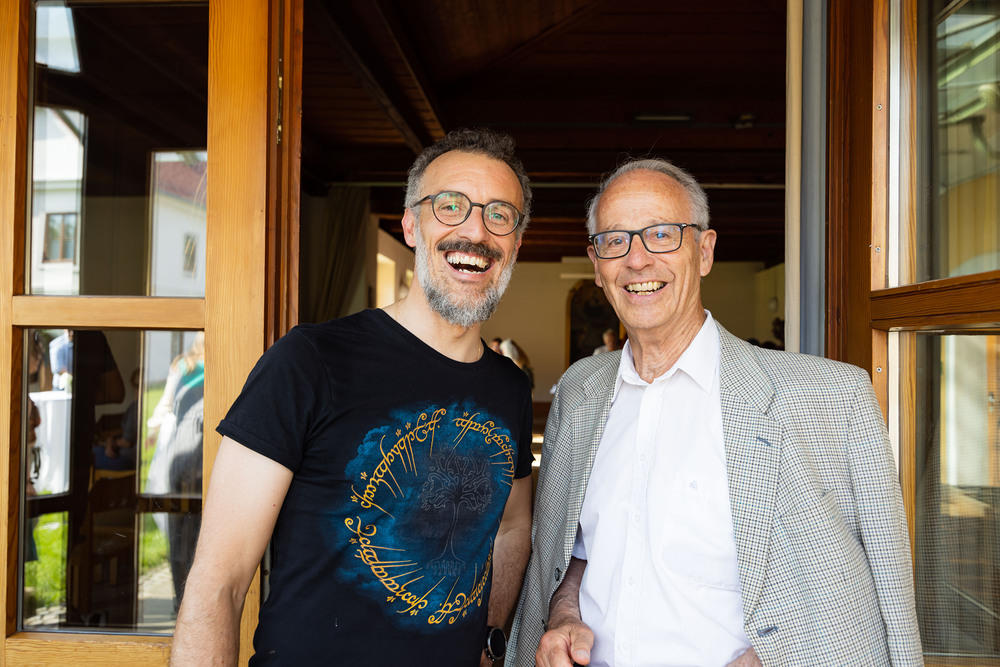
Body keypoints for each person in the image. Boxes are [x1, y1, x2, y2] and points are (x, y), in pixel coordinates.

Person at [510, 158, 922, 666]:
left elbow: (886, 594)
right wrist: (564, 612)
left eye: (662, 234)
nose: (637, 260)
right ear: (597, 265)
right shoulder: (579, 392)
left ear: (704, 252)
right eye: (615, 240)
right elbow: (574, 550)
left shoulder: (831, 398)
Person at [171, 128, 535, 666]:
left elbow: (513, 525)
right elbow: (217, 584)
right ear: (411, 225)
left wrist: (489, 640)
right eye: (450, 206)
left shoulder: (509, 387)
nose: (475, 230)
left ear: (516, 244)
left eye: (499, 214)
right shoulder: (309, 361)